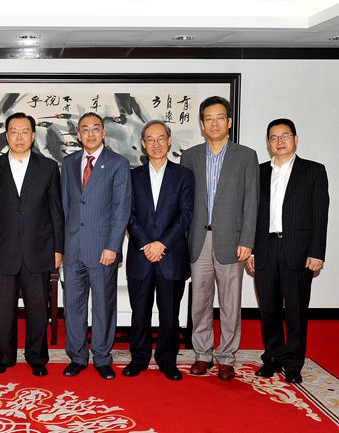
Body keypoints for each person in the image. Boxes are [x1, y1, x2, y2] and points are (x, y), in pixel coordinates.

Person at [180, 96, 259, 380]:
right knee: (200, 303)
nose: (214, 123)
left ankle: (226, 357)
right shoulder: (190, 156)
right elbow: (184, 202)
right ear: (202, 124)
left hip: (232, 240)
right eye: (208, 119)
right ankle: (202, 354)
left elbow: (252, 201)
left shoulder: (245, 156)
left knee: (230, 303)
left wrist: (247, 240)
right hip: (198, 240)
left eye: (219, 117)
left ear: (229, 121)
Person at [0, 112, 64, 377]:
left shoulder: (48, 167)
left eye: (24, 131)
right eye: (14, 131)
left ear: (33, 135)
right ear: (6, 136)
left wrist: (58, 248)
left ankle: (37, 357)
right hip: (3, 250)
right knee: (3, 309)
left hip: (39, 249)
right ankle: (4, 357)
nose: (19, 137)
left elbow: (56, 211)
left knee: (38, 309)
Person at [245, 118, 328, 384]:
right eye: (273, 137)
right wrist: (252, 251)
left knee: (296, 310)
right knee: (268, 309)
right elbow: (252, 214)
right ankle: (272, 358)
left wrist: (317, 252)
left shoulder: (313, 171)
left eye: (285, 136)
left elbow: (320, 215)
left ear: (295, 139)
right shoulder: (259, 172)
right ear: (268, 142)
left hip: (298, 251)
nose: (279, 141)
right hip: (265, 248)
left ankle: (293, 363)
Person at [60, 112, 131, 380]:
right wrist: (63, 245)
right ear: (78, 134)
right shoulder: (69, 163)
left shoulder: (118, 163)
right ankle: (77, 356)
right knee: (73, 306)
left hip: (103, 249)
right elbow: (65, 206)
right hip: (73, 248)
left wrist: (113, 246)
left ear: (103, 132)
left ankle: (102, 357)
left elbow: (121, 209)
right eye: (85, 129)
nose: (90, 134)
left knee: (103, 307)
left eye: (95, 128)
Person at [124, 120, 194, 381]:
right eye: (150, 139)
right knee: (139, 312)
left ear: (169, 140)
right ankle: (139, 358)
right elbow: (128, 215)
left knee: (169, 314)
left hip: (171, 255)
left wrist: (162, 244)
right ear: (143, 143)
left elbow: (186, 215)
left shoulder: (183, 175)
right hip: (140, 255)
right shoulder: (133, 176)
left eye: (161, 138)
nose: (156, 144)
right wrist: (147, 244)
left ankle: (167, 360)